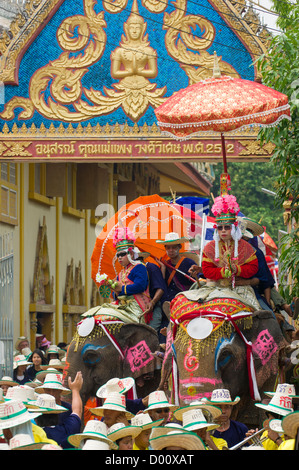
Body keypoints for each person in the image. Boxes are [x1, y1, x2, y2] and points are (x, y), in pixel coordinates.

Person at [92, 226, 151, 324]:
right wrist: (114, 289)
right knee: (100, 313)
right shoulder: (121, 273)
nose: (119, 258)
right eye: (118, 255)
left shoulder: (139, 267)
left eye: (122, 254)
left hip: (136, 307)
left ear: (131, 254)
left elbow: (140, 286)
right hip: (122, 305)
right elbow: (118, 294)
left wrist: (122, 288)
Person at [34, 371, 83, 449]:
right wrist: (75, 390)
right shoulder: (67, 430)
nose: (51, 393)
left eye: (54, 390)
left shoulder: (33, 434)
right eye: (48, 390)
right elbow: (77, 411)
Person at [156, 232, 198, 304]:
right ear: (165, 248)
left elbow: (198, 281)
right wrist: (163, 268)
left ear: (179, 247)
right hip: (168, 299)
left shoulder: (189, 262)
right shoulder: (165, 264)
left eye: (174, 247)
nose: (171, 250)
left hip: (186, 298)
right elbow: (162, 285)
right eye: (168, 248)